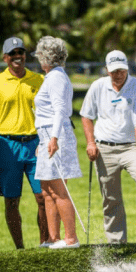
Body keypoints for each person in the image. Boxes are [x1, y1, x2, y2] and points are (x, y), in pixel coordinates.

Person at [80, 50, 136, 245]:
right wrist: (91, 142)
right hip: (104, 148)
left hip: (131, 148)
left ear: (127, 68)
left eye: (121, 70)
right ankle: (116, 240)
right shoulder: (97, 87)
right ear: (107, 70)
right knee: (110, 197)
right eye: (114, 71)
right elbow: (86, 115)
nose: (118, 75)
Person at [0, 37, 49, 249]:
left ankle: (44, 243)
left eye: (21, 52)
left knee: (43, 198)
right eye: (13, 53)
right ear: (5, 57)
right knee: (11, 200)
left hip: (35, 144)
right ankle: (20, 248)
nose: (18, 56)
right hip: (6, 146)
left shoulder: (38, 80)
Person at [32, 36, 83, 249]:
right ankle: (53, 238)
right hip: (46, 135)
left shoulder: (56, 78)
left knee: (58, 189)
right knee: (47, 189)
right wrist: (43, 140)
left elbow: (60, 109)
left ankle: (70, 238)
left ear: (46, 57)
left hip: (57, 135)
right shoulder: (52, 77)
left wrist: (53, 138)